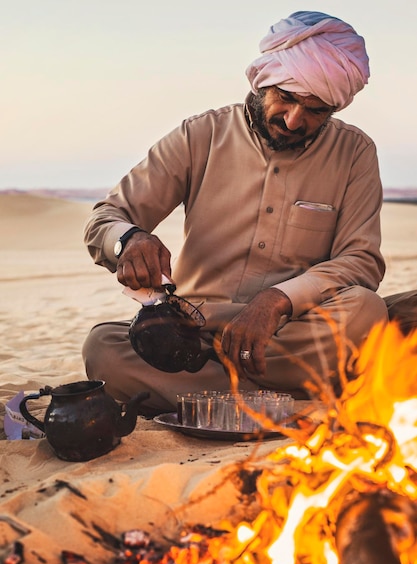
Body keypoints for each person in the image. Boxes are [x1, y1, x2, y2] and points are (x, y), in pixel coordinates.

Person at [83, 11, 390, 416]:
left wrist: (277, 300)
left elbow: (360, 260)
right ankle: (284, 402)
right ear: (263, 79)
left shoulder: (354, 153)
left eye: (316, 111)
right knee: (103, 348)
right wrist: (130, 239)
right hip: (194, 336)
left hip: (287, 333)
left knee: (366, 311)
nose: (294, 119)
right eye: (287, 96)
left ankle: (210, 399)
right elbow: (107, 217)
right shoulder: (200, 136)